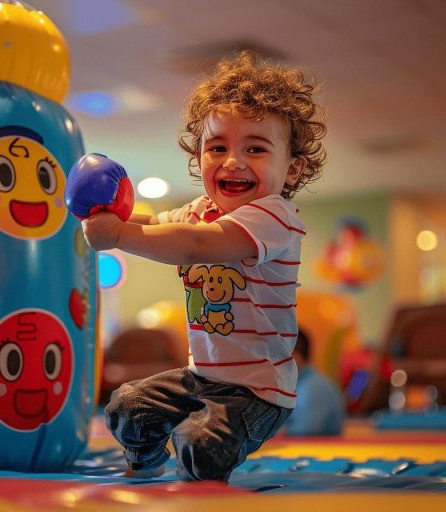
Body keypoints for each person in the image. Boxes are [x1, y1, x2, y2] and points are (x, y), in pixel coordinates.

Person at [81, 51, 327, 481]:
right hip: (203, 376)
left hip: (259, 390)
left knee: (200, 443)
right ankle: (146, 467)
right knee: (125, 407)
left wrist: (117, 237)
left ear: (292, 169)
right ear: (200, 158)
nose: (233, 160)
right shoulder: (201, 209)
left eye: (255, 147)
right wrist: (105, 219)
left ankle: (201, 487)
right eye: (218, 147)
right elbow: (157, 224)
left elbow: (198, 245)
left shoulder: (275, 217)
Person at [286, 330, 346, 436]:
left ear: (294, 356)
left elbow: (306, 429)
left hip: (323, 449)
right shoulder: (303, 383)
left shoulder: (310, 388)